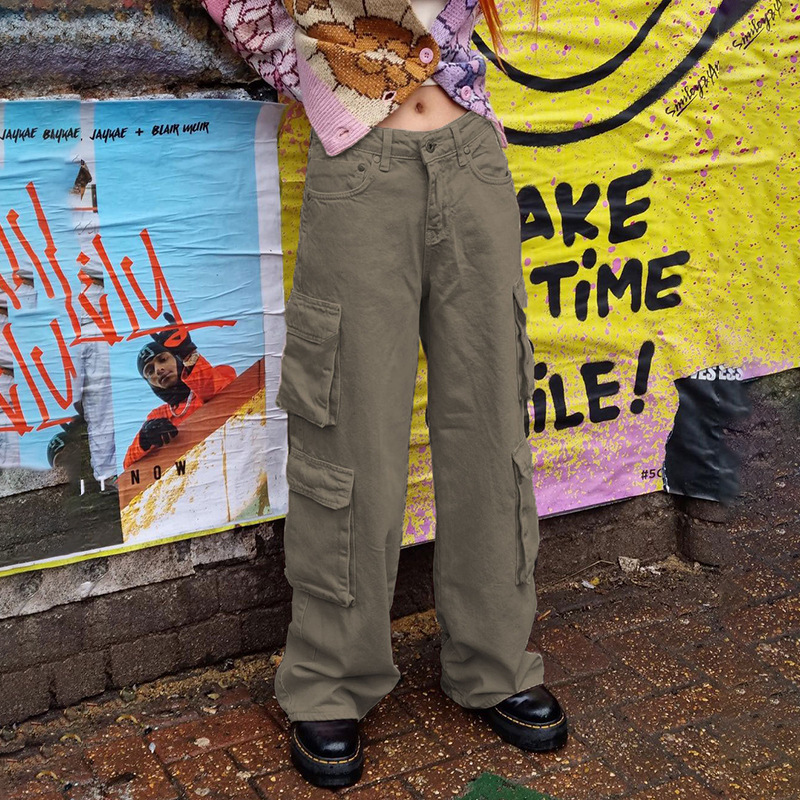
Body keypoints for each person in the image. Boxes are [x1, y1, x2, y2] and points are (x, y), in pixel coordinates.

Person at [204, 0, 568, 788]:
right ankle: (330, 679)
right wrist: (311, 71)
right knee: (348, 431)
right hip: (361, 168)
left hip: (471, 155)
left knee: (491, 425)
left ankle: (496, 662)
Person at [124, 315, 236, 468]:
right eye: (149, 371)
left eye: (163, 359)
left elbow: (220, 394)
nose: (158, 369)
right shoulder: (158, 415)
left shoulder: (222, 373)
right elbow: (128, 465)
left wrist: (188, 355)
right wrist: (144, 438)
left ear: (176, 358)